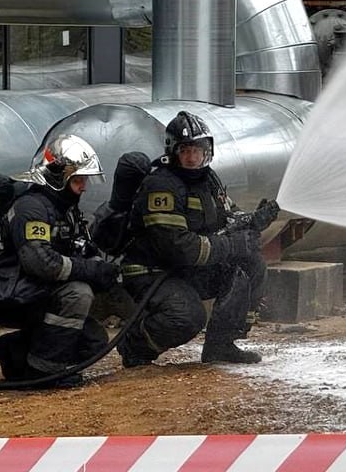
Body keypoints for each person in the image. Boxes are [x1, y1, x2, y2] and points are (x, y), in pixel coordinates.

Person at [117, 111, 280, 367]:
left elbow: (228, 217)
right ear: (174, 152)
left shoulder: (209, 178)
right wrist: (233, 244)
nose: (193, 158)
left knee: (250, 265)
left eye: (199, 150)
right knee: (188, 317)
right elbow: (179, 248)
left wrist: (253, 220)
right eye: (186, 151)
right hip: (153, 271)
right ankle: (135, 347)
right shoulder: (162, 186)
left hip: (186, 269)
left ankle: (221, 345)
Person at [0, 133, 119, 387]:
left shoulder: (63, 208)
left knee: (94, 343)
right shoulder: (31, 207)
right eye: (78, 180)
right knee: (78, 294)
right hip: (13, 291)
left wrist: (101, 267)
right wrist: (88, 271)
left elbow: (75, 251)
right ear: (60, 177)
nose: (84, 187)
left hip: (36, 289)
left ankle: (14, 353)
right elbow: (41, 263)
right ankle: (43, 373)